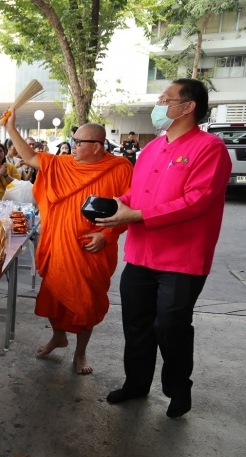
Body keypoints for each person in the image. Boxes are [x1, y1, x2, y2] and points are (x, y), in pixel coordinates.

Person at [96, 78, 232, 417]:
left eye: (166, 99)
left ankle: (178, 389)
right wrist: (116, 206)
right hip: (141, 254)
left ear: (188, 107)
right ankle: (136, 383)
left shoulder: (210, 148)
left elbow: (195, 201)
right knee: (136, 323)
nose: (159, 105)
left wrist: (137, 214)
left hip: (181, 259)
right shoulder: (153, 148)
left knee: (171, 326)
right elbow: (137, 194)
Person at [4, 109, 132, 375]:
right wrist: (11, 128)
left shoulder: (119, 168)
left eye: (79, 142)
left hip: (91, 248)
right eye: (74, 140)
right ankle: (58, 337)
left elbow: (130, 207)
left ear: (97, 146)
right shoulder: (62, 164)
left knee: (86, 303)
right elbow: (30, 157)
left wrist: (106, 235)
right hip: (59, 244)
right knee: (53, 295)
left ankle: (80, 352)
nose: (73, 145)